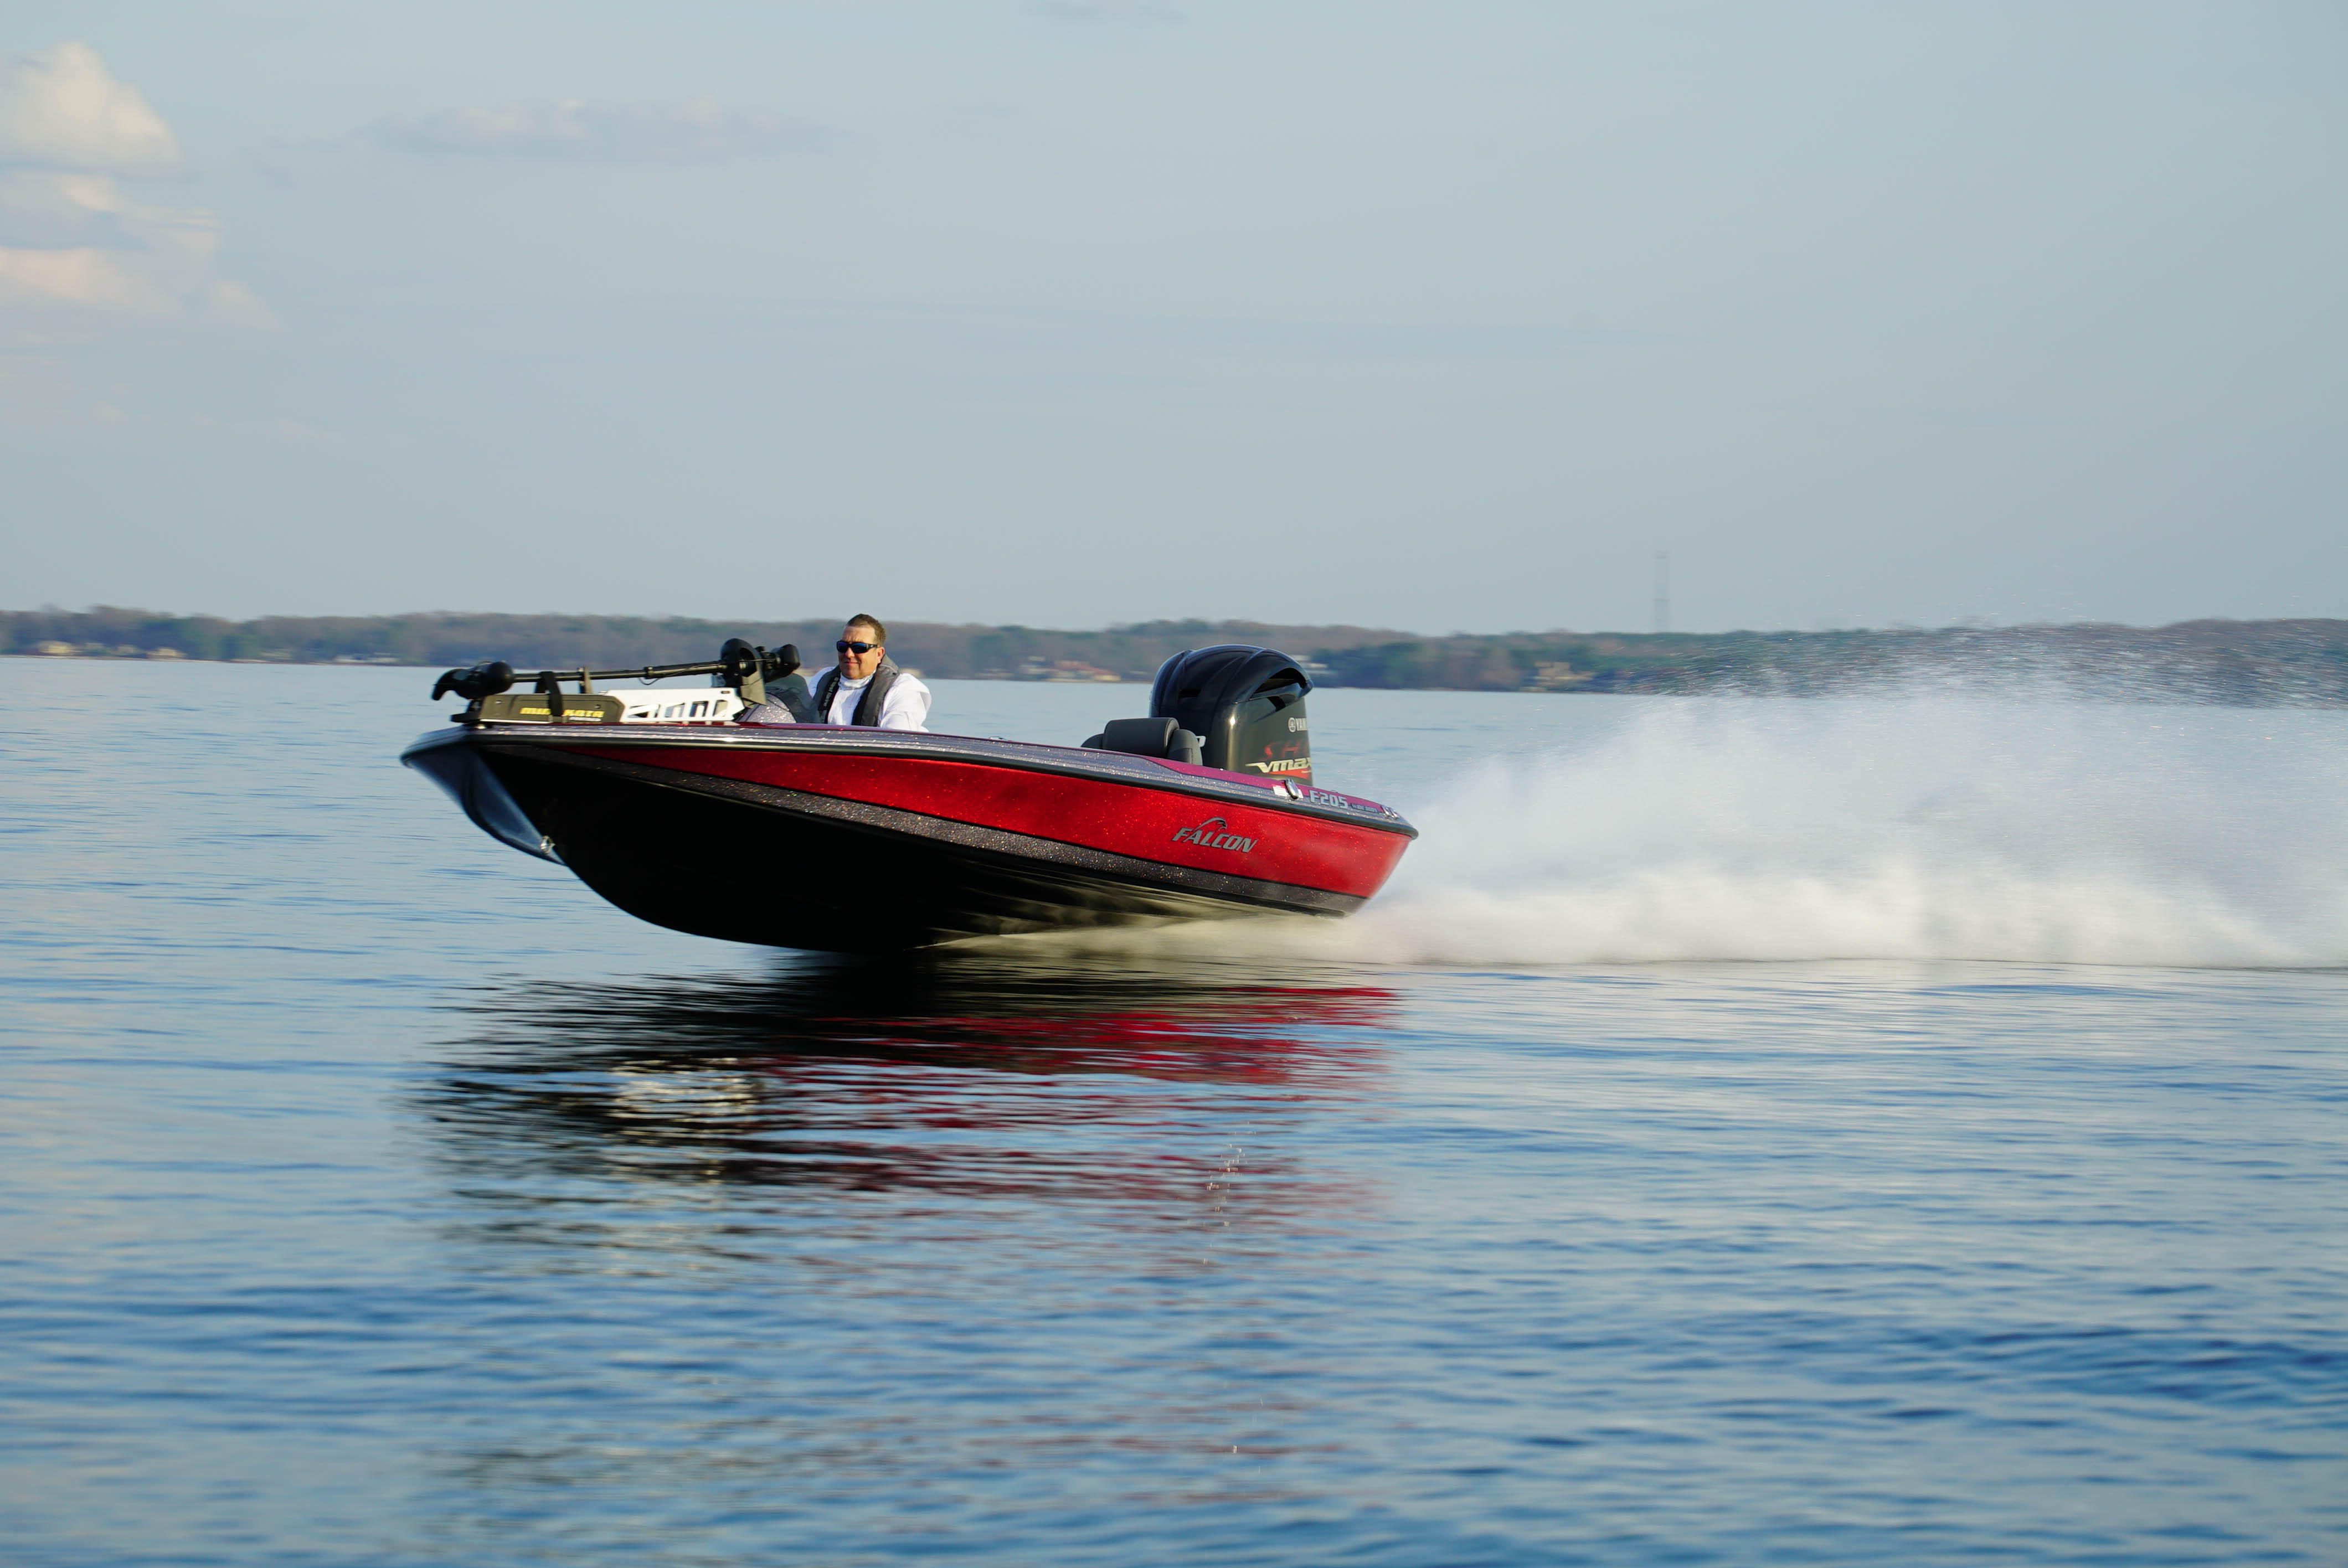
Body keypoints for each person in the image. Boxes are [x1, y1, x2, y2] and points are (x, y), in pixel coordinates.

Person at [805, 614, 930, 730]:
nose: (849, 654)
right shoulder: (822, 679)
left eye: (859, 648)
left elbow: (898, 742)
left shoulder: (902, 688)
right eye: (843, 647)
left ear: (879, 654)